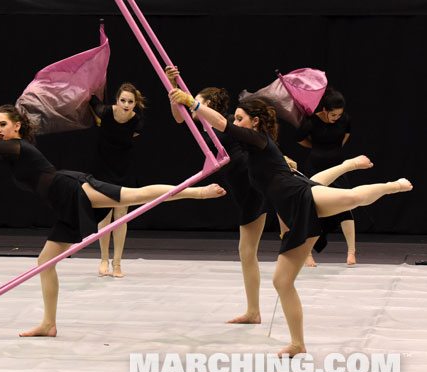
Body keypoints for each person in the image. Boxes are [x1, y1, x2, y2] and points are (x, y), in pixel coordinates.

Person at [0, 104, 226, 338]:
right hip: (62, 202)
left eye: (2, 124)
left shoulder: (16, 145)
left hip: (71, 188)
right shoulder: (9, 150)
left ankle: (197, 192)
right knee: (45, 261)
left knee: (134, 195)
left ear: (17, 126)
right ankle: (49, 323)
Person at [170, 89, 412, 356]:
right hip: (292, 210)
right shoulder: (253, 149)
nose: (236, 123)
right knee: (282, 282)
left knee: (351, 198)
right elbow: (219, 128)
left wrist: (192, 103)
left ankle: (392, 186)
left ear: (255, 122)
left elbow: (221, 123)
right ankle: (298, 344)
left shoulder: (258, 139)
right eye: (236, 119)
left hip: (301, 196)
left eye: (240, 119)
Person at [166, 66, 268, 325]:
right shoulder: (206, 124)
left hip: (251, 183)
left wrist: (185, 96)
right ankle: (253, 311)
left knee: (248, 252)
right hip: (243, 189)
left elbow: (204, 115)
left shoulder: (221, 122)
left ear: (208, 103)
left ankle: (254, 311)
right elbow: (180, 118)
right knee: (247, 253)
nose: (192, 106)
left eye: (197, 101)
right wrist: (171, 85)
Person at [89, 83, 146, 278]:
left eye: (130, 101)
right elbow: (91, 99)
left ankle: (117, 263)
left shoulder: (137, 120)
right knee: (104, 214)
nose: (126, 104)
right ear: (117, 100)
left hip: (124, 168)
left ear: (135, 103)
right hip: (103, 166)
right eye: (123, 100)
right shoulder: (104, 112)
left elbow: (133, 136)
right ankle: (104, 259)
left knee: (121, 216)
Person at [296, 88, 356, 267]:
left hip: (337, 166)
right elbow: (300, 139)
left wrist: (333, 150)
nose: (337, 117)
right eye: (333, 114)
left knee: (347, 204)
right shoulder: (310, 122)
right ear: (324, 110)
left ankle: (351, 251)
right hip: (316, 167)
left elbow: (346, 134)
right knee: (312, 208)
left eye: (339, 114)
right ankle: (307, 254)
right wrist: (318, 149)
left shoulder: (345, 119)